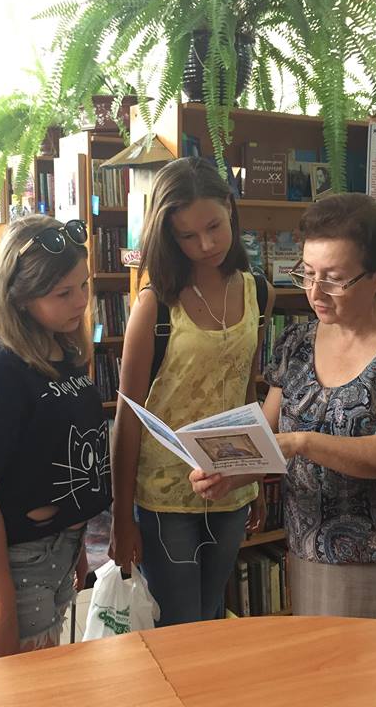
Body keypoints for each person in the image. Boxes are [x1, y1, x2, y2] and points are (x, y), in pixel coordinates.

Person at [190, 193, 376, 622]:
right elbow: (268, 436)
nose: (315, 292)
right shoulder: (296, 342)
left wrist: (303, 442)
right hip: (309, 547)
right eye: (308, 274)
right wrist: (230, 472)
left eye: (334, 279)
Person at [110, 156, 274, 626]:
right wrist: (122, 516)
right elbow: (128, 414)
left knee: (211, 614)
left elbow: (246, 389)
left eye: (214, 227)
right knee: (180, 623)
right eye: (187, 235)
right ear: (168, 236)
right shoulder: (154, 304)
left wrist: (254, 477)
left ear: (230, 209)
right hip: (165, 493)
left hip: (231, 483)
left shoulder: (259, 292)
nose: (205, 245)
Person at [0, 215, 110, 661]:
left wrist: (75, 544)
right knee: (13, 688)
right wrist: (1, 607)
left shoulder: (61, 349)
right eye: (63, 293)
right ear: (20, 297)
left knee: (40, 682)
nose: (81, 302)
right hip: (10, 567)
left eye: (83, 285)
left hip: (53, 554)